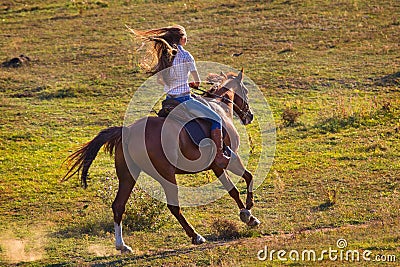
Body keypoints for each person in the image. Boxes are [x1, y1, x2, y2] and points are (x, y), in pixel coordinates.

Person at [128, 25, 230, 168]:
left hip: (169, 101)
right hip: (184, 100)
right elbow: (196, 81)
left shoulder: (165, 56)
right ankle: (219, 156)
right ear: (182, 39)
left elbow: (160, 79)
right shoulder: (186, 56)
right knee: (216, 119)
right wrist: (192, 84)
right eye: (186, 38)